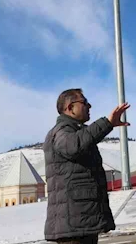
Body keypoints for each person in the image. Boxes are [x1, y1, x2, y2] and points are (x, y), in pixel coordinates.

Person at [43, 89, 130, 244]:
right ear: (70, 108)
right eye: (84, 102)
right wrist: (107, 123)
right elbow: (73, 146)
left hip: (80, 221)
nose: (89, 106)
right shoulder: (62, 131)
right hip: (74, 226)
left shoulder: (75, 131)